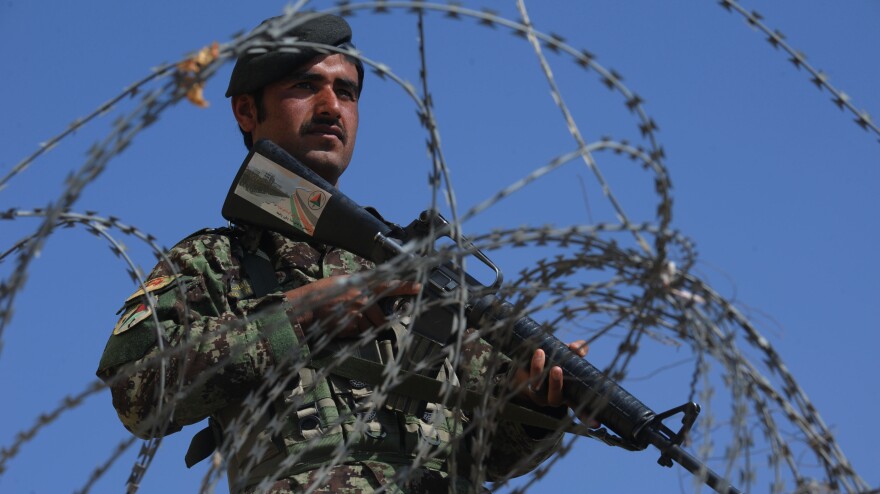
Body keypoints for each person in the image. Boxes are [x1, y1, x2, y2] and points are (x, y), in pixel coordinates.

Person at [97, 13, 588, 493]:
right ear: (247, 111)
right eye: (306, 86)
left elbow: (488, 453)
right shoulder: (215, 262)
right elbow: (138, 395)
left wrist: (535, 403)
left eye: (346, 92)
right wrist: (301, 315)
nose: (332, 105)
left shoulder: (410, 266)